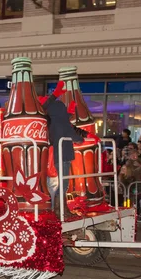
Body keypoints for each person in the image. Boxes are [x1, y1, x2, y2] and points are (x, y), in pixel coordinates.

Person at [42, 82, 100, 216]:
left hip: (58, 154)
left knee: (60, 184)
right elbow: (73, 134)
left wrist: (87, 134)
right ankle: (58, 209)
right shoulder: (59, 122)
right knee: (63, 185)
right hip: (62, 155)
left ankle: (59, 209)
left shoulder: (55, 122)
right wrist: (85, 137)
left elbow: (67, 126)